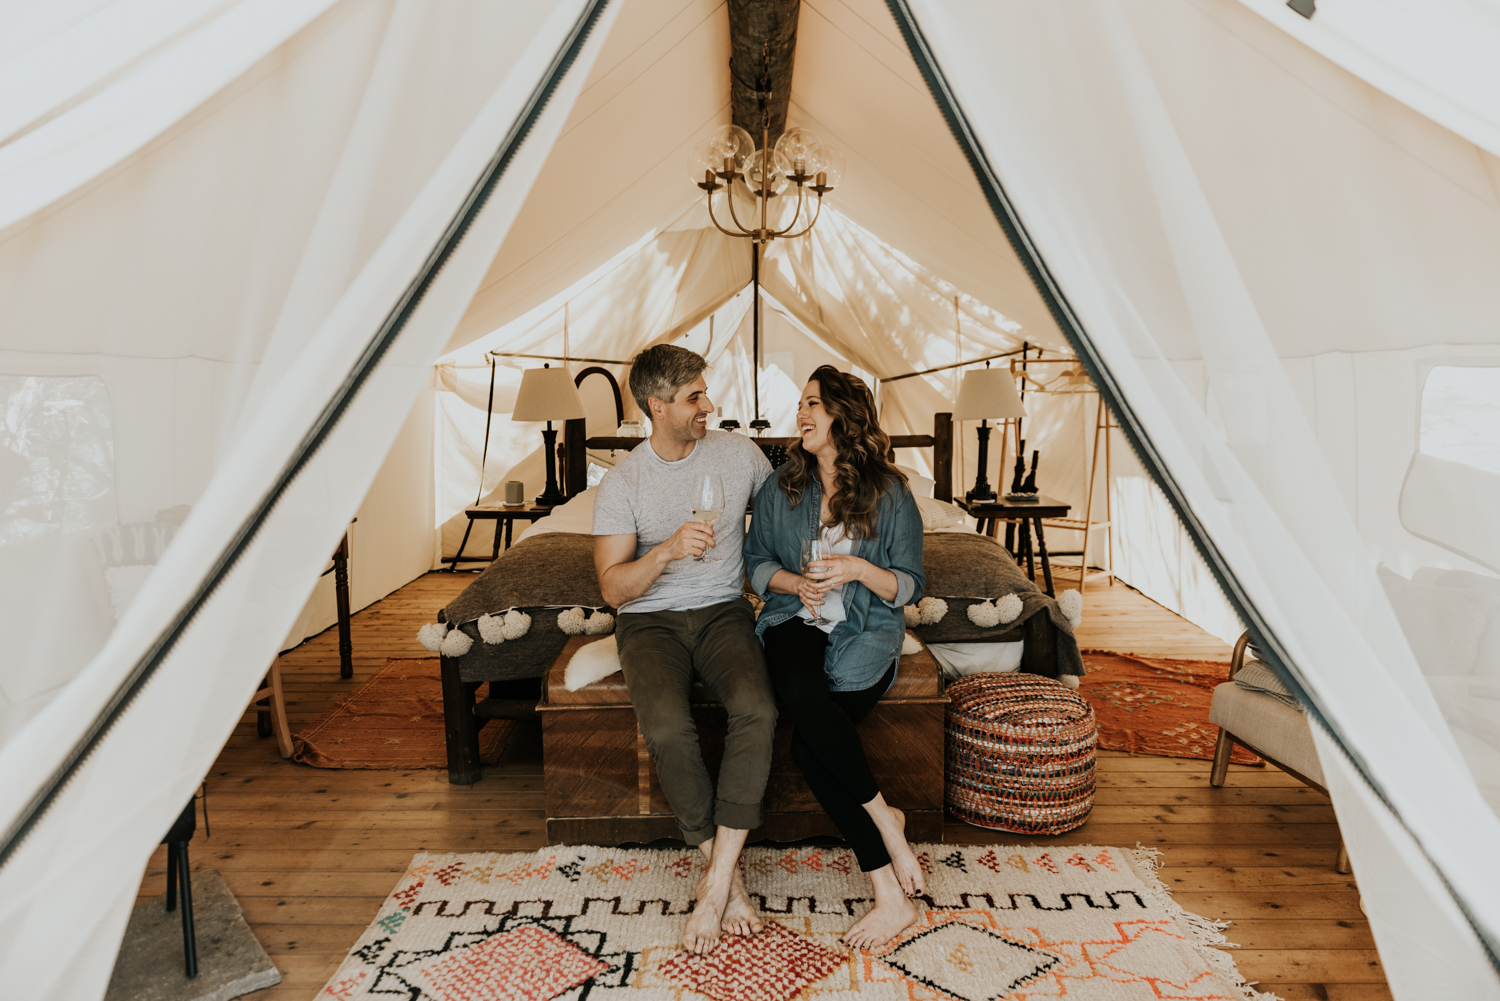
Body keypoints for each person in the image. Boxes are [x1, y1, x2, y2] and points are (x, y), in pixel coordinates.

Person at [592, 344, 775, 955]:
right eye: (694, 396)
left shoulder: (739, 453)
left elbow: (784, 513)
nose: (709, 404)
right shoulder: (623, 483)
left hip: (724, 611)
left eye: (705, 391)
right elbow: (614, 589)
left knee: (759, 709)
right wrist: (667, 551)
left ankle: (717, 882)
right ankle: (727, 874)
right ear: (657, 405)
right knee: (668, 728)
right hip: (649, 622)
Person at [743, 365, 927, 949]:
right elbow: (754, 566)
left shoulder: (892, 492)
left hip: (864, 629)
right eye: (800, 404)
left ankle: (889, 883)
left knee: (809, 744)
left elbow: (911, 584)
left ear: (843, 417)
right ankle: (887, 836)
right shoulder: (780, 488)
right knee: (800, 694)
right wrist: (796, 585)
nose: (801, 414)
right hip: (794, 617)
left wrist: (857, 569)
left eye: (813, 404)